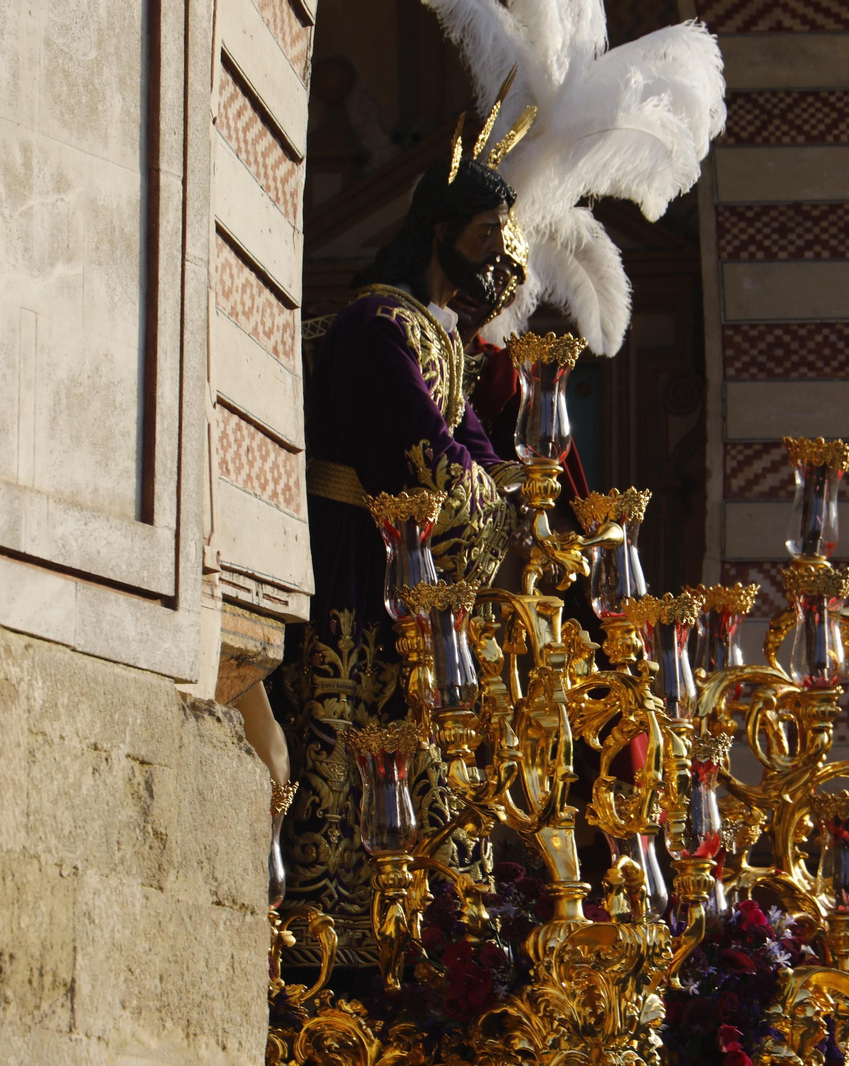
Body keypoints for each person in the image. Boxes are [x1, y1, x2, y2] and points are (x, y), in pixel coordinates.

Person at [265, 117, 532, 970]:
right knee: (349, 754)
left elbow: (478, 452)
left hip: (409, 580)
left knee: (432, 758)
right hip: (355, 566)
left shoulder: (438, 333)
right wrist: (494, 502)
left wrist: (517, 494)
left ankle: (432, 942)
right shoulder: (376, 325)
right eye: (485, 236)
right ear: (440, 231)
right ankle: (330, 947)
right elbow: (422, 460)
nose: (496, 256)